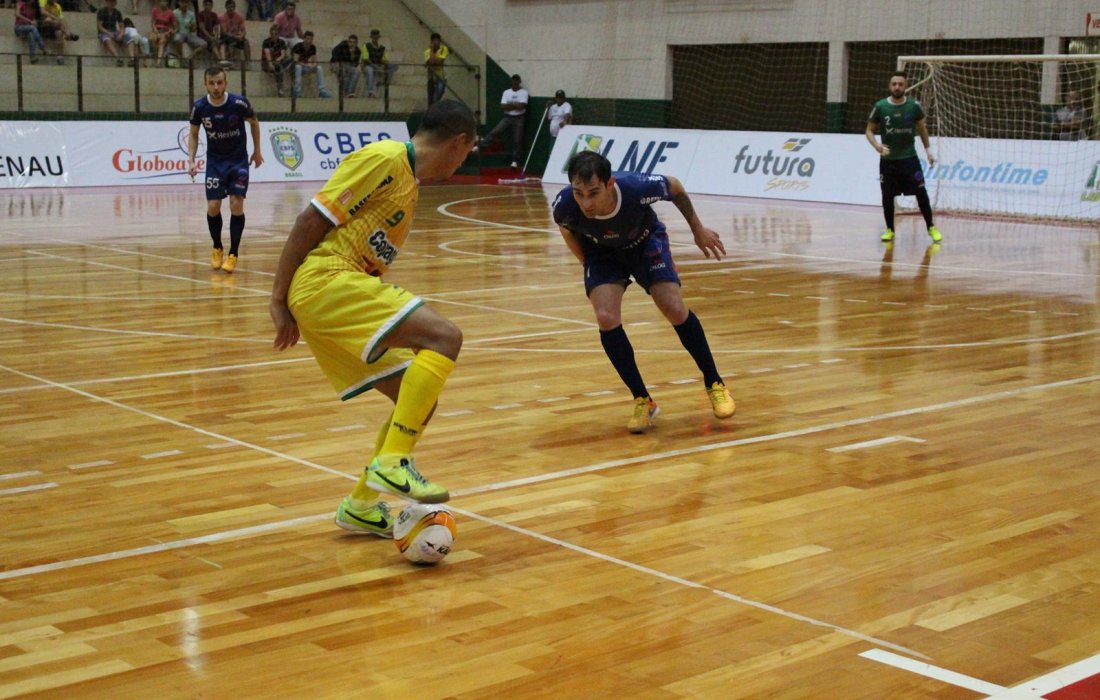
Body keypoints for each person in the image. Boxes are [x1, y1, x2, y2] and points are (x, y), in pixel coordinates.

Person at [269, 100, 478, 536]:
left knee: (416, 399)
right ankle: (393, 462)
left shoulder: (409, 182)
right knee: (445, 337)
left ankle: (362, 506)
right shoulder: (384, 158)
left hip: (332, 291)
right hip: (326, 281)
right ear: (458, 142)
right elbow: (311, 219)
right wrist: (278, 297)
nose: (463, 162)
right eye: (467, 152)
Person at [551, 151, 736, 434]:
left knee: (673, 307)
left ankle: (714, 382)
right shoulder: (565, 206)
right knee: (605, 316)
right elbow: (566, 230)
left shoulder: (637, 188)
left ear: (610, 183)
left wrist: (698, 229)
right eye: (578, 193)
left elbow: (674, 186)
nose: (586, 202)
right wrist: (589, 264)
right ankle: (642, 400)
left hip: (645, 242)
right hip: (601, 253)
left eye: (593, 193)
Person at [187, 66, 263, 274]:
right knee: (213, 206)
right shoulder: (200, 107)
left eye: (220, 83)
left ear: (226, 83)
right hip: (215, 162)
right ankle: (217, 246)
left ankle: (233, 253)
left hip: (238, 161)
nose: (216, 87)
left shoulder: (239, 103)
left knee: (236, 204)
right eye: (212, 83)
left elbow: (254, 123)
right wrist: (191, 159)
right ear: (206, 84)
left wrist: (257, 151)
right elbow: (193, 134)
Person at [865, 71, 941, 244]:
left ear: (905, 86)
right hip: (888, 162)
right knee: (887, 195)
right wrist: (876, 145)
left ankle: (931, 227)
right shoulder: (881, 106)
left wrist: (929, 151)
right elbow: (869, 130)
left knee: (921, 193)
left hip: (910, 160)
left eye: (900, 84)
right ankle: (890, 230)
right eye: (894, 84)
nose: (897, 87)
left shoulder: (914, 106)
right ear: (889, 86)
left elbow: (922, 129)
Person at [479, 73, 528, 169]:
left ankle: (515, 161)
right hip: (507, 117)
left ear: (519, 82)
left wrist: (510, 105)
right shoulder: (506, 92)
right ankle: (480, 146)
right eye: (514, 81)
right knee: (495, 132)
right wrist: (515, 105)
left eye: (517, 81)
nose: (515, 83)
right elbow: (502, 106)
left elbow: (522, 106)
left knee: (517, 140)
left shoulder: (524, 92)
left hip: (519, 118)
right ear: (512, 82)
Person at [291, 30, 330, 98]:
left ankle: (322, 91)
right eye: (308, 39)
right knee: (298, 67)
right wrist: (307, 65)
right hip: (295, 68)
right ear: (304, 38)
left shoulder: (312, 47)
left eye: (311, 39)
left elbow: (315, 61)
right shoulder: (298, 46)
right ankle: (297, 92)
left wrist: (313, 65)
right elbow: (295, 61)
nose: (309, 41)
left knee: (319, 68)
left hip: (305, 67)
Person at [38, 0, 79, 64]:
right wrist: (54, 18)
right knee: (48, 19)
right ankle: (68, 35)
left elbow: (62, 20)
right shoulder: (43, 1)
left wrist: (57, 21)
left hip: (54, 26)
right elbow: (42, 12)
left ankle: (60, 56)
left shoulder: (57, 6)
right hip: (42, 25)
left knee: (59, 33)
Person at [361, 28, 396, 99]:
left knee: (393, 67)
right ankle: (370, 92)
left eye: (376, 37)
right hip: (368, 65)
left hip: (378, 65)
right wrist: (376, 67)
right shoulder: (366, 46)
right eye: (374, 37)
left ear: (378, 37)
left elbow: (385, 60)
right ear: (371, 37)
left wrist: (383, 65)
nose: (375, 38)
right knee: (370, 71)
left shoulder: (381, 47)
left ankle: (384, 82)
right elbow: (366, 59)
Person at [260, 23, 290, 96]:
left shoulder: (281, 42)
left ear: (278, 34)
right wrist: (270, 64)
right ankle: (280, 89)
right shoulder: (266, 42)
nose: (274, 36)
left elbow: (283, 55)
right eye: (272, 34)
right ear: (270, 34)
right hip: (266, 62)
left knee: (289, 59)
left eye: (276, 34)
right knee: (279, 68)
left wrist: (277, 60)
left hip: (277, 61)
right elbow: (267, 54)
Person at [329, 33, 361, 98]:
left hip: (348, 66)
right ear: (348, 41)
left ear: (356, 43)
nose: (351, 44)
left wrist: (352, 55)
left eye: (353, 42)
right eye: (350, 42)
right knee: (343, 72)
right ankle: (345, 93)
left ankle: (350, 92)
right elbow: (334, 52)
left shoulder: (357, 51)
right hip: (336, 63)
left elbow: (355, 64)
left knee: (356, 71)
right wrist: (340, 62)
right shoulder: (343, 44)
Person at [147, 0, 178, 67]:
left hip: (165, 31)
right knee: (151, 38)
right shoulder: (155, 10)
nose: (163, 3)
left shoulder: (170, 13)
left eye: (165, 1)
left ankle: (158, 62)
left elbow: (175, 27)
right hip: (157, 30)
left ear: (167, 2)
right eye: (161, 1)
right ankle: (155, 54)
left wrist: (170, 32)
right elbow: (153, 23)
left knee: (162, 42)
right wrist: (156, 31)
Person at [424, 31, 447, 106]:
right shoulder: (427, 51)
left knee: (438, 95)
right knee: (430, 97)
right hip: (431, 77)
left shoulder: (444, 49)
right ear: (431, 42)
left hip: (441, 76)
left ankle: (435, 109)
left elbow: (439, 62)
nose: (436, 42)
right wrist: (432, 51)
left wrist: (433, 60)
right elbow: (430, 62)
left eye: (437, 41)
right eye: (434, 41)